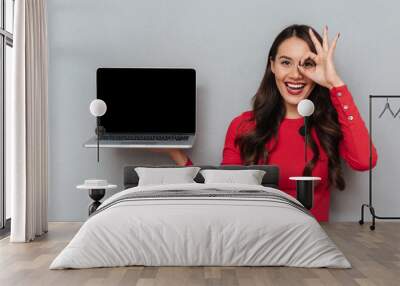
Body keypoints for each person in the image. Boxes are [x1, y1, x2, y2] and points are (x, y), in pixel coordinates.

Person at [152, 24, 378, 222]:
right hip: (254, 242)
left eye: (307, 64)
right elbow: (223, 194)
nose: (296, 74)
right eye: (285, 62)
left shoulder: (329, 126)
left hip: (311, 244)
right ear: (272, 66)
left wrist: (334, 83)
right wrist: (177, 155)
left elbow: (364, 161)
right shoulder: (243, 125)